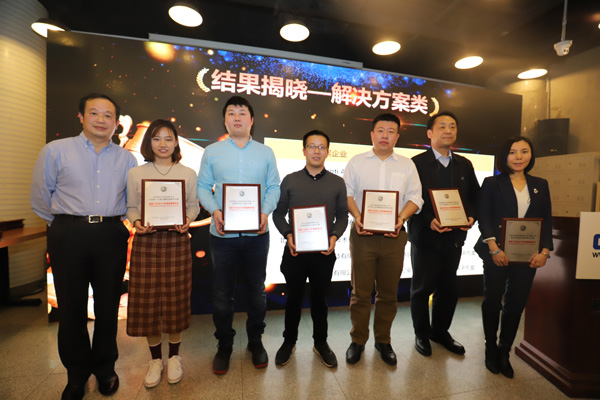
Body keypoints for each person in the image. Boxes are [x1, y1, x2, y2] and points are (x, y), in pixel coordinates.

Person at [30, 93, 137, 400]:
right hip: (68, 233)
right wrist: (65, 225)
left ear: (116, 123)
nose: (101, 120)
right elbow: (41, 196)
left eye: (108, 115)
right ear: (81, 116)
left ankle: (105, 368)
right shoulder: (56, 150)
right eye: (94, 113)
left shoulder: (127, 159)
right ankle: (76, 374)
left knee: (107, 306)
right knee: (71, 308)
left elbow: (132, 200)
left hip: (111, 233)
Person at [197, 96, 280, 375]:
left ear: (251, 120)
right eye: (231, 113)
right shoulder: (212, 152)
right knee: (222, 294)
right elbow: (202, 187)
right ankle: (224, 345)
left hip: (258, 234)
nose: (236, 117)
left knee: (256, 292)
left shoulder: (265, 153)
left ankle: (255, 341)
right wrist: (215, 210)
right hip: (223, 236)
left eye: (242, 113)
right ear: (224, 120)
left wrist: (265, 212)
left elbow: (274, 187)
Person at [343, 113, 423, 366]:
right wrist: (358, 217)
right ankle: (358, 340)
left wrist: (400, 218)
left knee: (388, 293)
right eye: (380, 130)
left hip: (394, 236)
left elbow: (415, 198)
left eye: (390, 131)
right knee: (360, 292)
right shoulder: (357, 162)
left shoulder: (407, 165)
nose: (385, 135)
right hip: (363, 235)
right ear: (372, 134)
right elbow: (347, 194)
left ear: (397, 136)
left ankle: (383, 340)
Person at [125, 119, 200, 388]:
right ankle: (155, 359)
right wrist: (137, 222)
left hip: (176, 242)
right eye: (157, 138)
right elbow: (131, 207)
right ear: (149, 142)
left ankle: (174, 356)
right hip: (146, 242)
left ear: (176, 142)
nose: (163, 144)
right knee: (148, 303)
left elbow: (193, 205)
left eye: (168, 138)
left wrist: (187, 220)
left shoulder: (187, 173)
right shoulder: (136, 173)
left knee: (175, 300)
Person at [475, 136, 553, 378]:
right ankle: (490, 348)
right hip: (496, 252)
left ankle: (504, 351)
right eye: (512, 152)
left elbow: (546, 220)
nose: (519, 157)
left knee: (516, 303)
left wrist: (545, 251)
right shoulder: (491, 183)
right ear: (504, 156)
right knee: (492, 301)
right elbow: (484, 217)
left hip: (527, 256)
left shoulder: (541, 184)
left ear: (531, 155)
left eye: (524, 151)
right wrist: (494, 249)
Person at [272, 130, 349, 368]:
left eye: (321, 147)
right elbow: (278, 214)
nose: (317, 151)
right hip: (295, 251)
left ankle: (321, 343)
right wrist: (288, 234)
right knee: (293, 298)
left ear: (328, 151)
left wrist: (334, 237)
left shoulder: (337, 182)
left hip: (324, 253)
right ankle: (289, 341)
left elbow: (343, 216)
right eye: (312, 146)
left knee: (320, 300)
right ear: (304, 150)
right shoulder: (290, 180)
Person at [407, 112, 480, 357]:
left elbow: (474, 197)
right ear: (429, 133)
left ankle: (440, 331)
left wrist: (471, 216)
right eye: (442, 127)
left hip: (454, 238)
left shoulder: (464, 164)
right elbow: (410, 199)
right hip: (425, 236)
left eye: (452, 126)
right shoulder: (415, 164)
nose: (448, 131)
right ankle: (421, 333)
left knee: (448, 289)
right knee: (421, 289)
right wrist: (429, 220)